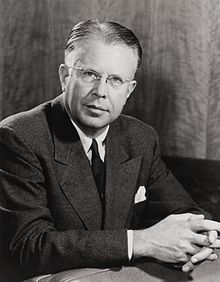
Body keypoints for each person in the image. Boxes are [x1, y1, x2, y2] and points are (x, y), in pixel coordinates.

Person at [0, 19, 220, 281]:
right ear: (65, 76)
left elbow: (182, 211)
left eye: (115, 80)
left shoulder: (140, 137)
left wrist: (202, 237)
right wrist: (140, 242)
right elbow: (29, 247)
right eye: (89, 74)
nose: (101, 92)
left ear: (129, 90)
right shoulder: (19, 137)